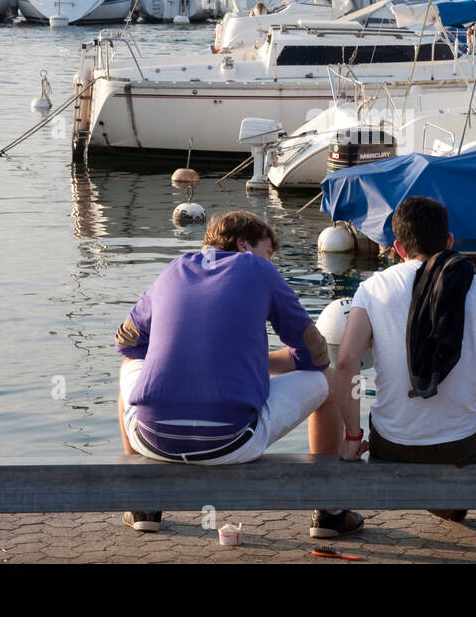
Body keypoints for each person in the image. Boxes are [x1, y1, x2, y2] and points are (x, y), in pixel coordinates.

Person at [116, 210, 363, 539]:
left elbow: (127, 341)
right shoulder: (256, 269)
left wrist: (184, 353)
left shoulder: (174, 269)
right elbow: (315, 354)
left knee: (128, 368)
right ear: (244, 244)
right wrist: (257, 362)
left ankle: (144, 503)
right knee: (329, 381)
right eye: (268, 252)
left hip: (151, 438)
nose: (270, 262)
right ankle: (329, 511)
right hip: (232, 442)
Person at [335, 196, 476, 523]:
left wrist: (352, 437)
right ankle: (449, 497)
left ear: (399, 248)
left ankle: (438, 495)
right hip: (461, 448)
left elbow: (345, 365)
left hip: (391, 445)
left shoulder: (372, 288)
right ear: (449, 241)